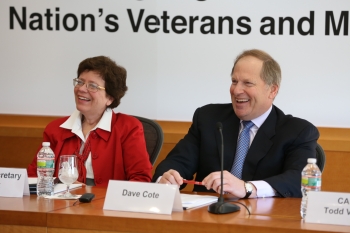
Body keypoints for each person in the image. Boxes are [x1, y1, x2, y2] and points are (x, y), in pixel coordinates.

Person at [152, 49, 319, 198]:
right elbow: (177, 161)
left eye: (248, 83)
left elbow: (300, 179)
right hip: (206, 218)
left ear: (272, 90)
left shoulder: (298, 131)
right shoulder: (209, 118)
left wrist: (248, 188)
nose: (236, 90)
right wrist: (166, 179)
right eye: (234, 81)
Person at [28, 56, 152, 187]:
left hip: (107, 205)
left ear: (110, 98)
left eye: (92, 86)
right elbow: (35, 175)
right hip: (60, 203)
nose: (81, 89)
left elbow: (141, 179)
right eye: (80, 82)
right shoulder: (55, 129)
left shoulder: (128, 127)